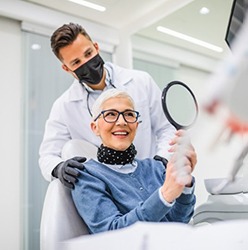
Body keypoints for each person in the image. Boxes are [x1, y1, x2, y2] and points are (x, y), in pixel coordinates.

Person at [39, 22, 178, 188]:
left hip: (151, 180)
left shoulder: (141, 82)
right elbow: (48, 155)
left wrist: (161, 161)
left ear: (96, 47)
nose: (86, 63)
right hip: (107, 189)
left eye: (88, 53)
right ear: (66, 68)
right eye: (76, 62)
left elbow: (166, 129)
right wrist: (58, 168)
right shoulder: (64, 106)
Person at [71, 89, 196, 234]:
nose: (122, 122)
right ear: (95, 127)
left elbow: (179, 222)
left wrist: (185, 185)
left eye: (129, 114)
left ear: (136, 125)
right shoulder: (87, 177)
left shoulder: (155, 168)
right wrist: (164, 195)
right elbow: (112, 234)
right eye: (111, 114)